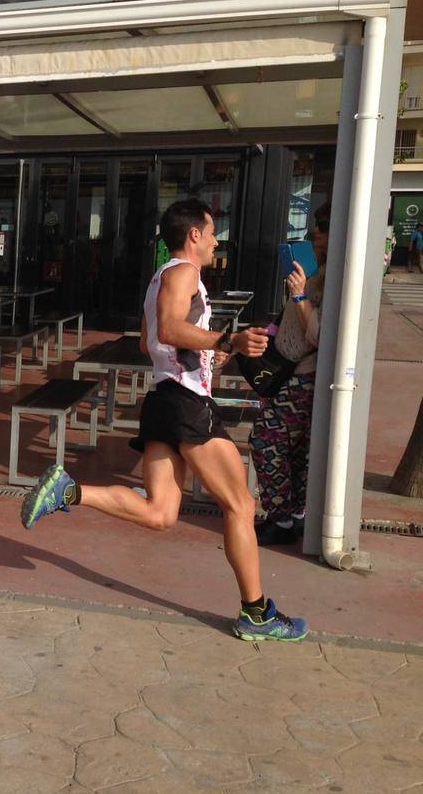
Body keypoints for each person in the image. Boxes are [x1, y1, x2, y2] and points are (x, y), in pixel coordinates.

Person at [20, 199, 308, 643]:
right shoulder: (183, 273)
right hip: (186, 402)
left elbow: (147, 341)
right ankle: (256, 613)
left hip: (164, 400)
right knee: (241, 505)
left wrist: (212, 349)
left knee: (160, 512)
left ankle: (68, 490)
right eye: (212, 232)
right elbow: (171, 329)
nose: (216, 241)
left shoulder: (162, 278)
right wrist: (223, 338)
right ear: (193, 234)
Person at [250, 205, 329, 546]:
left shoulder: (336, 276)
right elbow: (290, 321)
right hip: (290, 370)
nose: (316, 231)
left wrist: (300, 294)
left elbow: (321, 334)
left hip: (304, 374)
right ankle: (293, 515)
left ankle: (280, 517)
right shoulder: (316, 268)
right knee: (293, 449)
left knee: (265, 440)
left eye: (324, 226)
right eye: (316, 225)